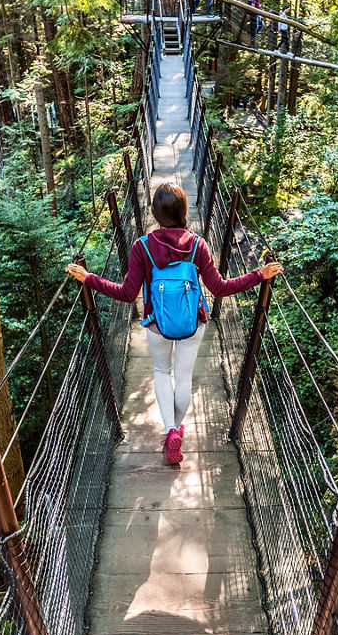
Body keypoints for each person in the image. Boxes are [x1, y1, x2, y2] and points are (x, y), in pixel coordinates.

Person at [67, 183, 283, 465]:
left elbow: (127, 293)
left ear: (155, 214)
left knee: (161, 371)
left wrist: (89, 279)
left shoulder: (141, 246)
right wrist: (259, 274)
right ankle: (175, 432)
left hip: (158, 323)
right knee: (183, 379)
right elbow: (219, 288)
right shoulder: (197, 245)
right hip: (193, 323)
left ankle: (170, 430)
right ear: (183, 211)